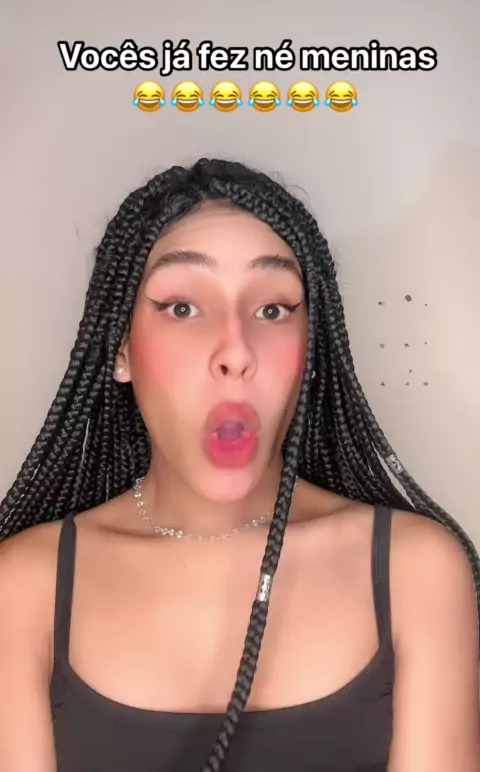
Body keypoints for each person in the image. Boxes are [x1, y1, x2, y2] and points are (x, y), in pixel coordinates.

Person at [0, 158, 479, 772]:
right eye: (182, 307)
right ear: (120, 348)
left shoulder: (415, 571)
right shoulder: (25, 587)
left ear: (312, 348)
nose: (235, 351)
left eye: (273, 309)